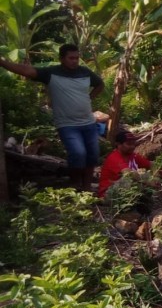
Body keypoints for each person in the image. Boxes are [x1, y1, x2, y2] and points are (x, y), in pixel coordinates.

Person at [0, 43, 104, 191]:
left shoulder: (85, 72)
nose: (74, 61)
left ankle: (86, 187)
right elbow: (27, 71)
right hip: (67, 125)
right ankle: (75, 184)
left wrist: (89, 98)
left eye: (76, 58)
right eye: (71, 58)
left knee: (92, 155)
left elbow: (100, 84)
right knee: (78, 153)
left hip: (88, 122)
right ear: (62, 58)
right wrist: (2, 62)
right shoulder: (51, 73)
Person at [98, 130, 152, 199]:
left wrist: (158, 173)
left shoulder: (133, 156)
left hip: (121, 190)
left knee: (145, 174)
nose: (132, 147)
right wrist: (149, 180)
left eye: (133, 144)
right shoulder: (114, 157)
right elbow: (128, 173)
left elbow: (151, 164)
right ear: (118, 144)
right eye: (129, 144)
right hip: (107, 194)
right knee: (132, 178)